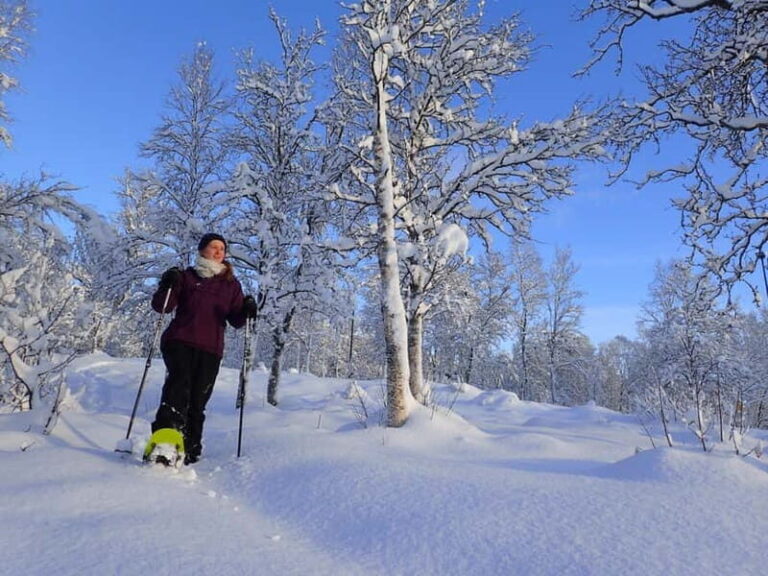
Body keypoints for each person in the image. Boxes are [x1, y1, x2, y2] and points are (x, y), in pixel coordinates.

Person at [149, 232, 258, 464]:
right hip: (180, 341)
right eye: (213, 247)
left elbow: (236, 320)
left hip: (210, 349)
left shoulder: (231, 285)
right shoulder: (187, 277)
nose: (218, 252)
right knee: (179, 387)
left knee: (199, 399)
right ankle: (165, 441)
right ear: (202, 251)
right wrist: (166, 284)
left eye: (222, 248)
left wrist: (247, 310)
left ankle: (190, 448)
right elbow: (163, 306)